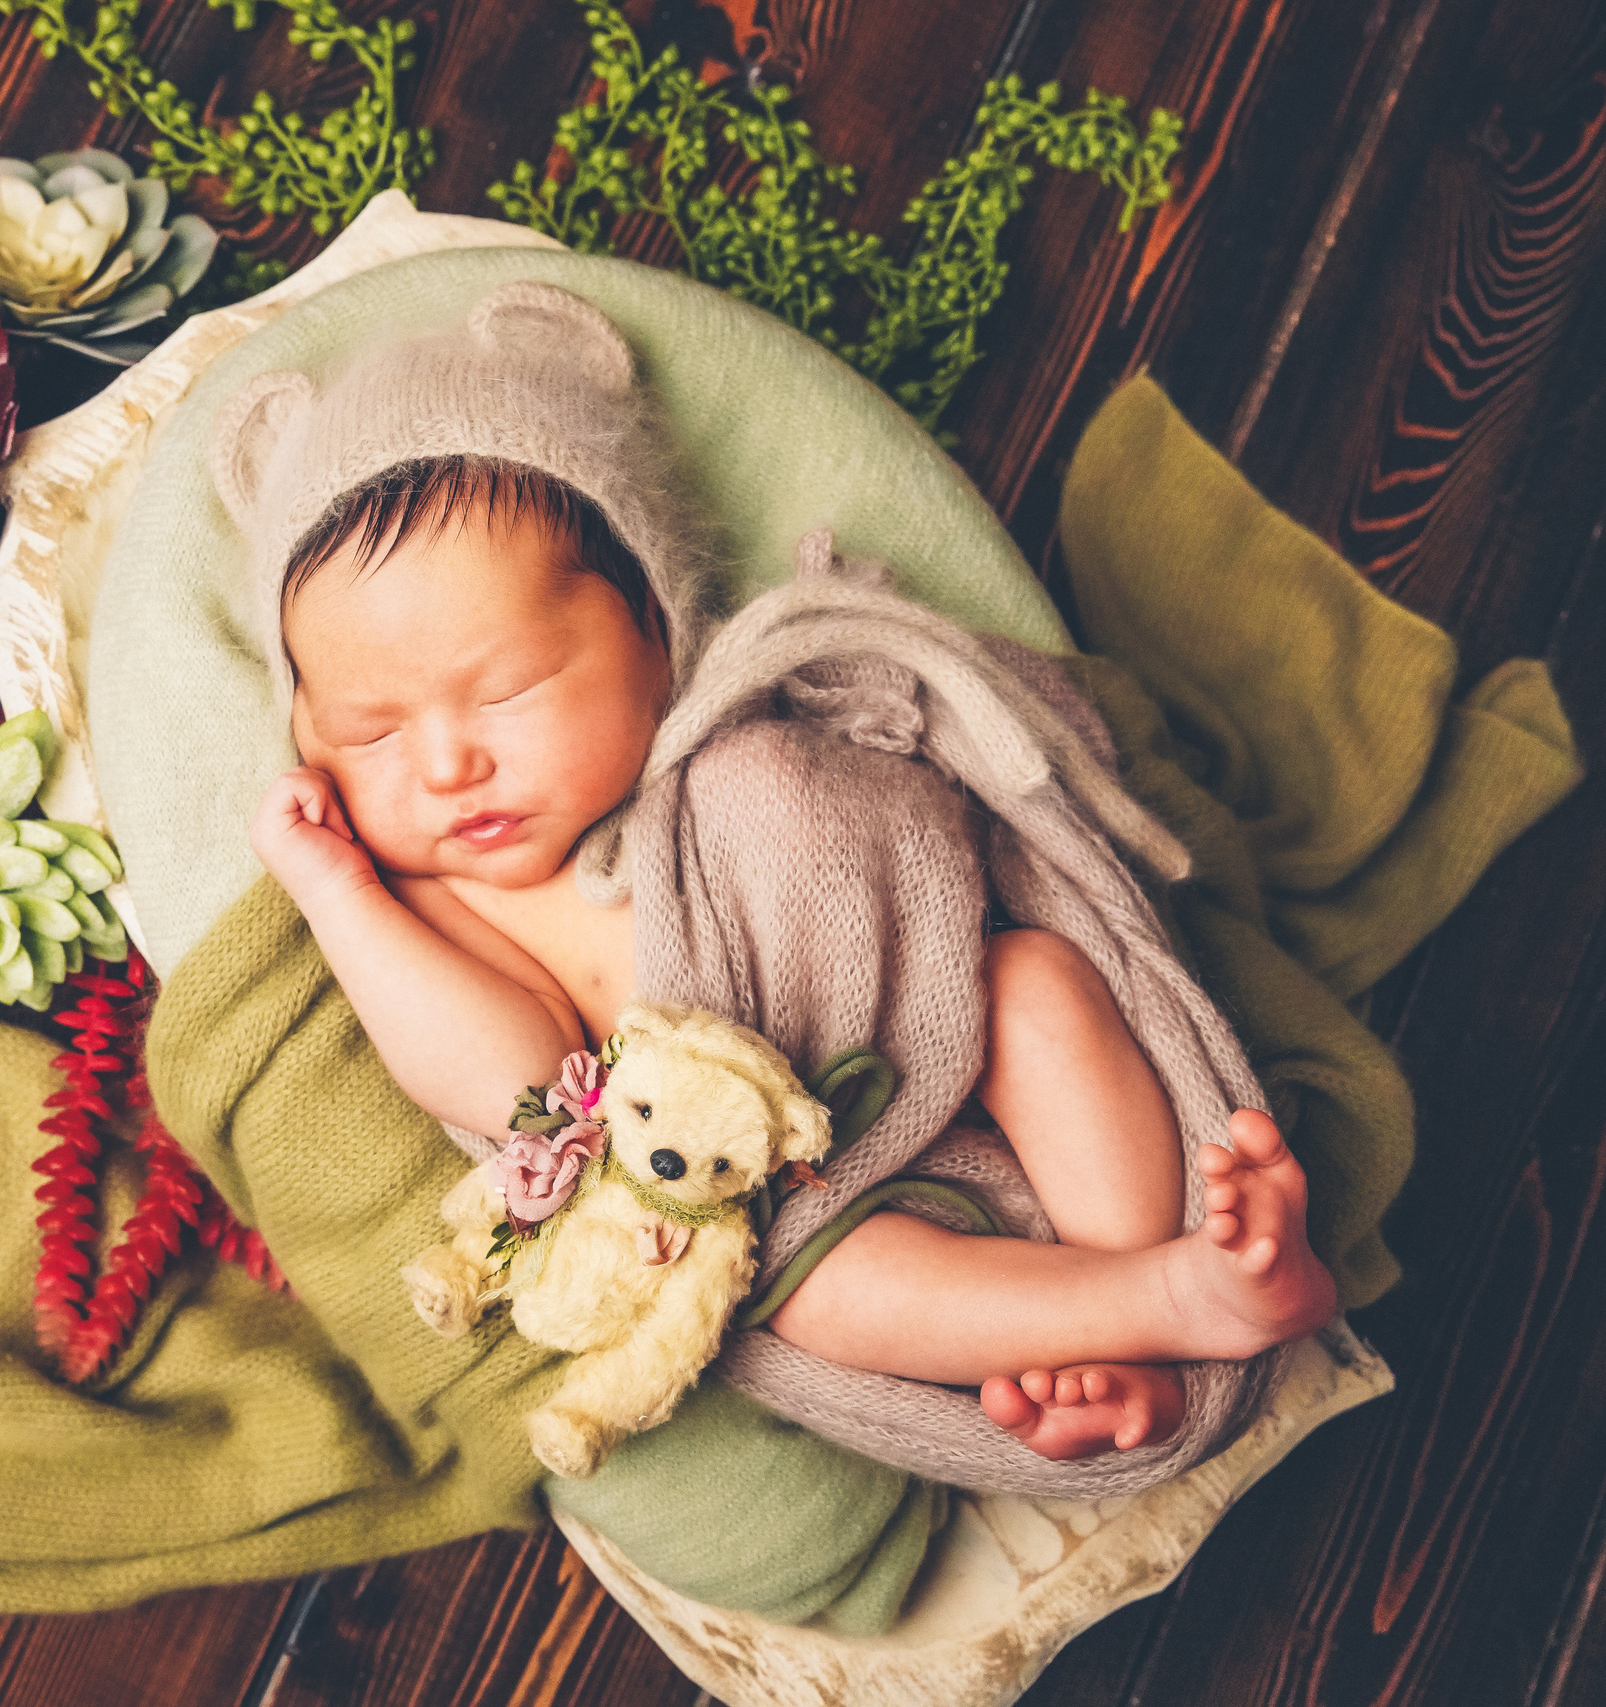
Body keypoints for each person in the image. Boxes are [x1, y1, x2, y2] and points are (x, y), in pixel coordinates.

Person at [234, 298, 1336, 1464]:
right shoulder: (440, 899)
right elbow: (511, 1085)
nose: (449, 764)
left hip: (943, 1028)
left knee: (1040, 984)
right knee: (812, 1291)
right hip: (806, 1201)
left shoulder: (760, 718)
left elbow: (936, 832)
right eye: (369, 732)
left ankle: (1127, 1295)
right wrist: (336, 894)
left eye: (507, 688)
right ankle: (1155, 1309)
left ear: (656, 630)